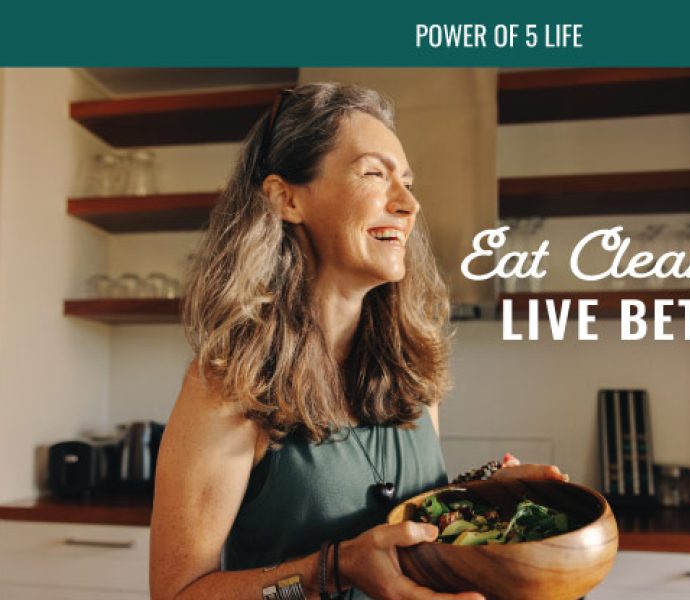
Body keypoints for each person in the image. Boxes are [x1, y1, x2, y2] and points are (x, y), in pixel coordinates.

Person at [149, 83, 567, 600]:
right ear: (288, 199)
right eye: (374, 173)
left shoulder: (412, 363)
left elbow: (410, 525)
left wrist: (483, 496)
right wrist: (333, 569)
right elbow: (177, 593)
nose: (409, 203)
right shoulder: (229, 382)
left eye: (409, 183)